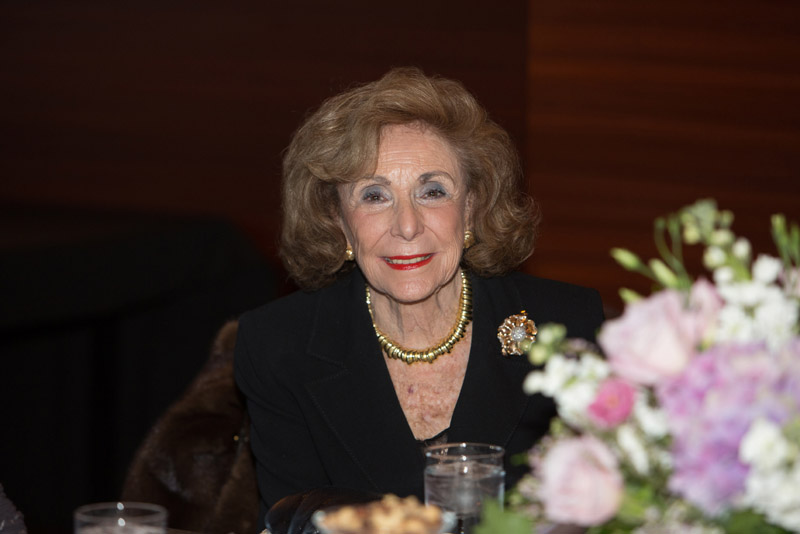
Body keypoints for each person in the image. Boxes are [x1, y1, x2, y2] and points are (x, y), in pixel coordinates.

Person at [234, 67, 604, 531]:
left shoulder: (567, 327)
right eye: (374, 196)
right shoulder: (277, 348)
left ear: (471, 206)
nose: (407, 226)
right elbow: (295, 522)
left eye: (432, 191)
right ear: (337, 220)